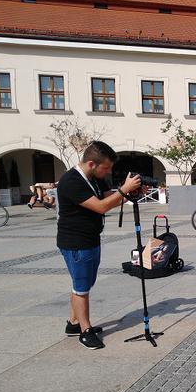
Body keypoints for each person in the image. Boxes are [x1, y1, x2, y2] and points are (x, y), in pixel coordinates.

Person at [57, 141, 141, 349]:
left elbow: (107, 197)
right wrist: (124, 190)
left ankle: (73, 323)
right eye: (106, 168)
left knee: (82, 283)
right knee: (82, 287)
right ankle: (85, 331)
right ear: (92, 164)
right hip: (76, 242)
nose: (109, 171)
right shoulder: (71, 181)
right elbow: (101, 207)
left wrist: (128, 193)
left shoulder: (94, 177)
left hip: (90, 238)